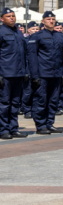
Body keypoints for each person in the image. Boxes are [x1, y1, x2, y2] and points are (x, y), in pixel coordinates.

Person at [26, 11, 63, 135]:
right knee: (41, 100)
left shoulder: (60, 36)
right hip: (43, 74)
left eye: (53, 19)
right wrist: (35, 75)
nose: (51, 21)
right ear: (43, 21)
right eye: (48, 19)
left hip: (56, 74)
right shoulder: (37, 36)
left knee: (53, 100)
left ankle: (49, 123)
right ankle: (41, 125)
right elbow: (32, 57)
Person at [0, 8, 29, 139]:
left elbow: (24, 54)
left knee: (15, 103)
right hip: (5, 74)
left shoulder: (18, 32)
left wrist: (26, 71)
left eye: (13, 16)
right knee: (4, 103)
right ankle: (3, 129)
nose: (12, 18)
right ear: (2, 19)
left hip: (18, 73)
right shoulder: (1, 32)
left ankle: (13, 128)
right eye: (8, 16)